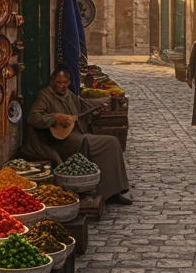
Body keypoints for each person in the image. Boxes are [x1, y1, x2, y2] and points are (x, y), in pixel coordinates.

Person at [22, 66, 133, 205]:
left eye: (65, 83)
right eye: (59, 82)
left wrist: (99, 107)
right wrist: (55, 118)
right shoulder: (45, 95)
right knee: (102, 142)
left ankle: (113, 191)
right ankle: (101, 190)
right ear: (52, 82)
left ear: (69, 83)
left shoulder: (70, 95)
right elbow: (33, 117)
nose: (62, 86)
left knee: (112, 142)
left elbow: (82, 110)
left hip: (75, 135)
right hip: (59, 141)